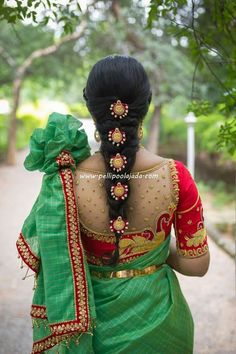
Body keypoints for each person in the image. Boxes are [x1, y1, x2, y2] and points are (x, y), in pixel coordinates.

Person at [17, 55, 210, 354]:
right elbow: (197, 265)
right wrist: (154, 249)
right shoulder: (176, 177)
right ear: (146, 104)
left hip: (92, 331)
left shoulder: (66, 180)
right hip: (162, 327)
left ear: (90, 107)